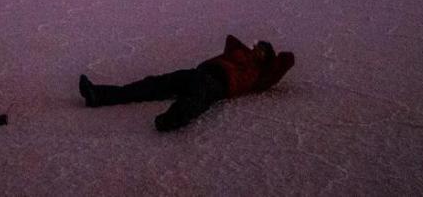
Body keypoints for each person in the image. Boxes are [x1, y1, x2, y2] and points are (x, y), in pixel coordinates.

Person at [78, 35, 295, 131]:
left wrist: (270, 61)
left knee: (196, 100)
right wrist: (247, 51)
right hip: (199, 73)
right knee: (153, 84)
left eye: (262, 50)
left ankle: (171, 120)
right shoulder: (239, 54)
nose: (257, 49)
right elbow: (231, 41)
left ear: (267, 57)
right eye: (257, 45)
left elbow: (286, 61)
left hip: (219, 83)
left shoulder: (259, 73)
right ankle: (98, 94)